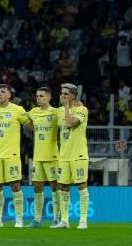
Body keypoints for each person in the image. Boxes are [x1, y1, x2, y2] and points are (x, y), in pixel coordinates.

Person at [0, 84, 30, 227]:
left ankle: (19, 219)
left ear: (9, 95)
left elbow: (30, 125)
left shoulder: (18, 110)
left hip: (12, 155)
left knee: (15, 186)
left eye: (3, 92)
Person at [53, 83, 89, 229]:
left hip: (78, 155)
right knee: (63, 187)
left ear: (74, 96)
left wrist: (67, 107)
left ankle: (83, 220)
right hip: (64, 156)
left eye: (66, 94)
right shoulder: (58, 111)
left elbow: (69, 123)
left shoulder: (82, 109)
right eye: (62, 93)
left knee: (81, 186)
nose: (63, 96)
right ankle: (65, 220)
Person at [25, 86, 61, 227]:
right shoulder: (33, 112)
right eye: (37, 96)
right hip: (38, 156)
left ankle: (57, 218)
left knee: (55, 187)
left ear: (49, 97)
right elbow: (27, 123)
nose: (38, 98)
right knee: (37, 187)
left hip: (52, 156)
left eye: (41, 96)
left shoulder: (56, 112)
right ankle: (37, 219)